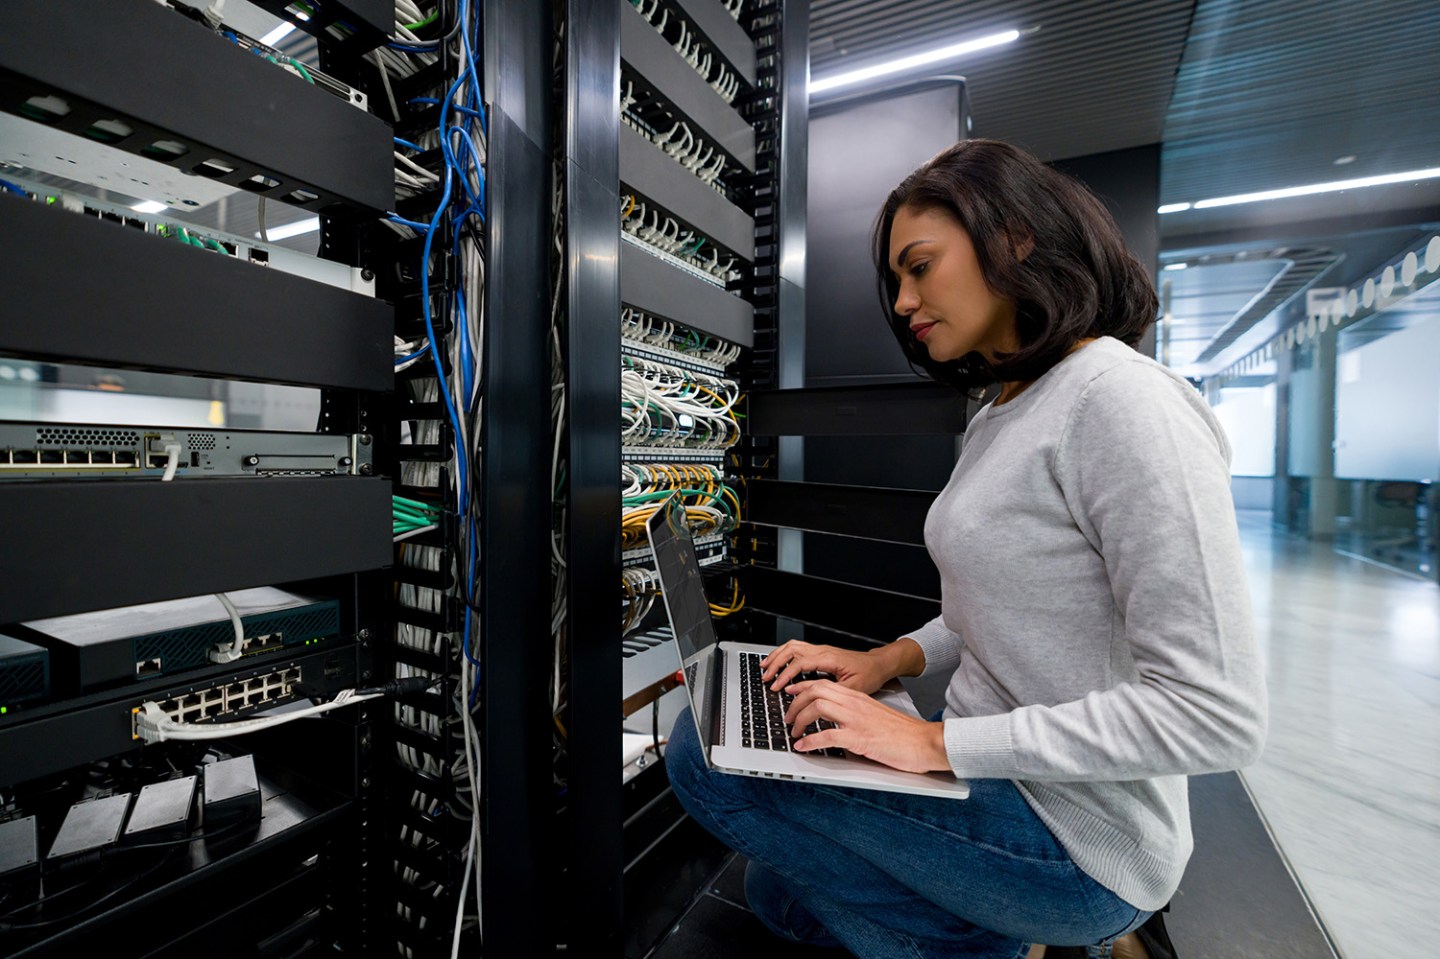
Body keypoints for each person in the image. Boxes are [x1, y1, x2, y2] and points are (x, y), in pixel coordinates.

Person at [664, 139, 1267, 959]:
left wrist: (934, 744)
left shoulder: (1125, 404)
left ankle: (1040, 934)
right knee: (777, 893)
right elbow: (1003, 597)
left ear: (1013, 236)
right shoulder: (1005, 408)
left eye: (919, 266)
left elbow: (1215, 713)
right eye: (896, 280)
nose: (904, 300)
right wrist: (890, 659)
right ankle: (1009, 935)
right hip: (995, 771)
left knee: (704, 756)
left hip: (1074, 832)